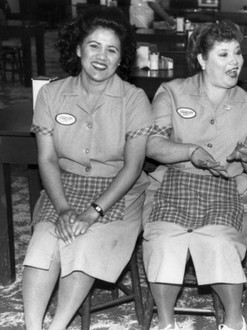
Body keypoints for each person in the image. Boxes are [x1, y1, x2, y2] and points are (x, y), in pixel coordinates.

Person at [22, 7, 153, 330]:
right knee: (44, 242)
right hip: (63, 186)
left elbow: (133, 166)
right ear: (78, 48)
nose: (101, 56)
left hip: (116, 191)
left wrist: (93, 211)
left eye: (112, 50)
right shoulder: (52, 94)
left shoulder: (134, 99)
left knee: (84, 245)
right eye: (94, 46)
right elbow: (48, 159)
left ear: (121, 58)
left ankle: (58, 326)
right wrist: (63, 208)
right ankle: (32, 326)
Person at [142, 20, 247, 330]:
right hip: (174, 182)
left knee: (220, 242)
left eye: (237, 53)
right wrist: (190, 151)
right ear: (201, 60)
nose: (234, 62)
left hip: (229, 186)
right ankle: (166, 321)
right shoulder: (172, 92)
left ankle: (235, 319)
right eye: (223, 55)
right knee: (165, 241)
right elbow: (153, 145)